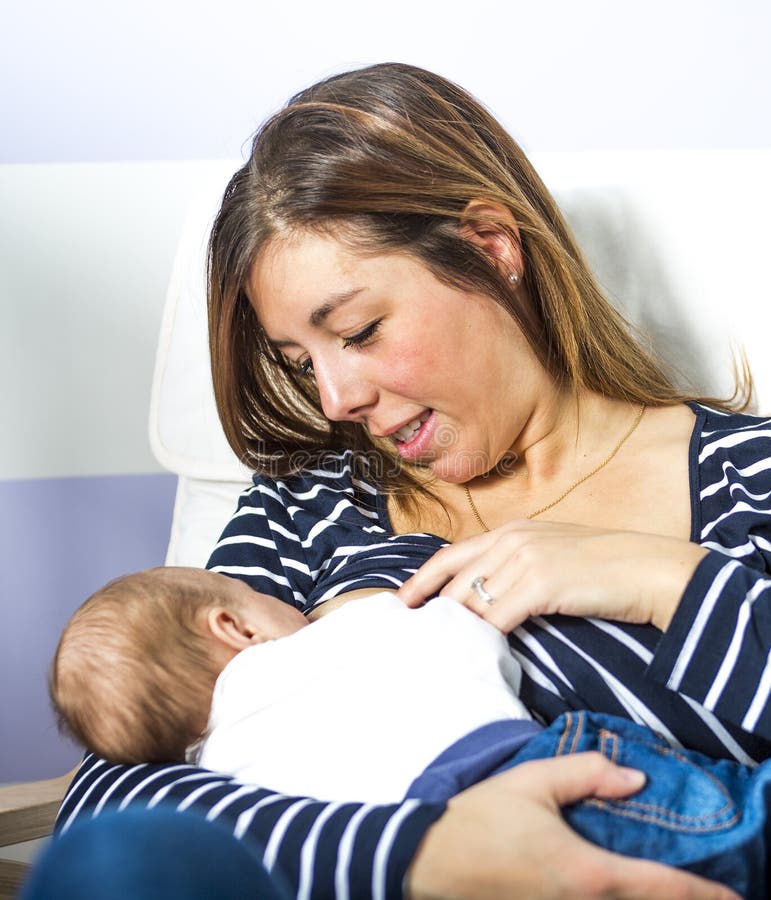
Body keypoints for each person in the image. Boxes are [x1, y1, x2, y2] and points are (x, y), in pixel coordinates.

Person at [49, 61, 771, 899]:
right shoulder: (311, 506)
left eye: (358, 330)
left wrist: (664, 580)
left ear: (490, 246)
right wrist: (418, 853)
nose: (336, 399)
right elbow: (116, 796)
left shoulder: (746, 477)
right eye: (299, 361)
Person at [49, 565, 771, 897]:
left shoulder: (216, 764)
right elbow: (460, 632)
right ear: (233, 625)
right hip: (552, 776)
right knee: (742, 823)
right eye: (264, 596)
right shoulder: (345, 631)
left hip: (426, 874)